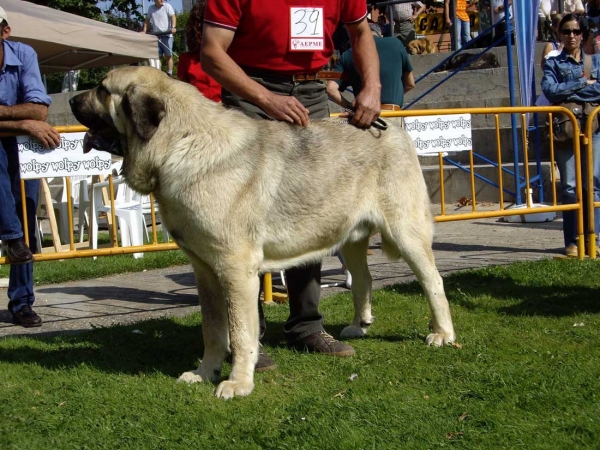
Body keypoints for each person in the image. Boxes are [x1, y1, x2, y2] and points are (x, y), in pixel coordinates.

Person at [201, 0, 381, 369]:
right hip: (251, 92)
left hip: (313, 92)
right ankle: (246, 338)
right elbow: (211, 52)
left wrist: (372, 87)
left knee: (308, 207)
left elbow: (361, 33)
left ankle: (306, 326)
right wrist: (265, 98)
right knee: (242, 221)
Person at [0, 7, 61, 327]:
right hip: (16, 140)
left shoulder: (24, 54)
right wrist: (24, 121)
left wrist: (28, 121)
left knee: (22, 219)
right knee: (18, 230)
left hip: (18, 149)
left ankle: (21, 302)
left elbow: (40, 111)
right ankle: (11, 236)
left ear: (4, 32)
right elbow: (32, 116)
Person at [541, 13, 600, 257]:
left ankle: (594, 238)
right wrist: (583, 84)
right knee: (569, 186)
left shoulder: (595, 61)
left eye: (576, 31)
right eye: (566, 31)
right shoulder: (553, 62)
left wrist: (572, 94)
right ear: (559, 35)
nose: (571, 36)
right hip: (565, 129)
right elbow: (550, 91)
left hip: (594, 127)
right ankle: (573, 240)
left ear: (583, 34)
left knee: (593, 184)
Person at [326, 23, 415, 113]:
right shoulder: (396, 44)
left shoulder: (348, 54)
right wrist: (394, 96)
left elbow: (331, 89)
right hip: (392, 113)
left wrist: (350, 108)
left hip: (363, 114)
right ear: (380, 34)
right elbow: (410, 83)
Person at [177, 1, 221, 102]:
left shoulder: (231, 56)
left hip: (227, 110)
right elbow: (185, 94)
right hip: (201, 112)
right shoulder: (186, 60)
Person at [142, 0, 177, 77]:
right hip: (156, 36)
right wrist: (144, 31)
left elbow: (173, 16)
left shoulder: (167, 6)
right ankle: (158, 75)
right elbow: (147, 21)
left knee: (168, 56)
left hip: (167, 36)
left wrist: (173, 27)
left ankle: (169, 74)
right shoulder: (151, 8)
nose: (162, 0)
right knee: (156, 57)